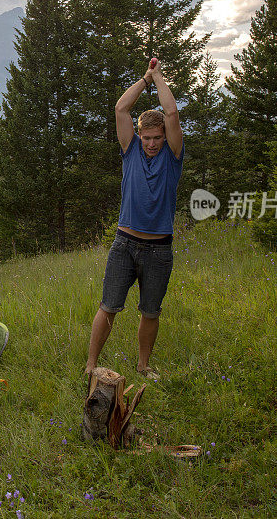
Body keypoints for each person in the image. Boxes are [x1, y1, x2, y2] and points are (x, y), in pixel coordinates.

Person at [85, 58, 183, 381]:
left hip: (159, 249)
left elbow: (171, 113)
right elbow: (120, 109)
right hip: (124, 244)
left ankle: (142, 366)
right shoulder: (130, 149)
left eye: (156, 137)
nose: (152, 143)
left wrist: (159, 77)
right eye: (147, 138)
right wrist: (144, 79)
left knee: (150, 311)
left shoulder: (172, 155)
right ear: (139, 136)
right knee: (109, 305)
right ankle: (90, 366)